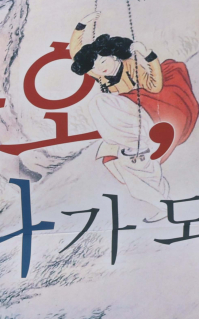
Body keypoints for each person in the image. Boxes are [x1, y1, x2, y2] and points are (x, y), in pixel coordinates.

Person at [69, 13, 199, 222]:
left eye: (103, 61)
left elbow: (154, 86)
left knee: (99, 103)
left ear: (113, 56)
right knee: (116, 165)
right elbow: (77, 54)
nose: (100, 67)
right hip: (127, 128)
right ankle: (161, 203)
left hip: (146, 112)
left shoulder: (130, 66)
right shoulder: (100, 73)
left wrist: (148, 56)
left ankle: (136, 147)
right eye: (95, 67)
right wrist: (82, 25)